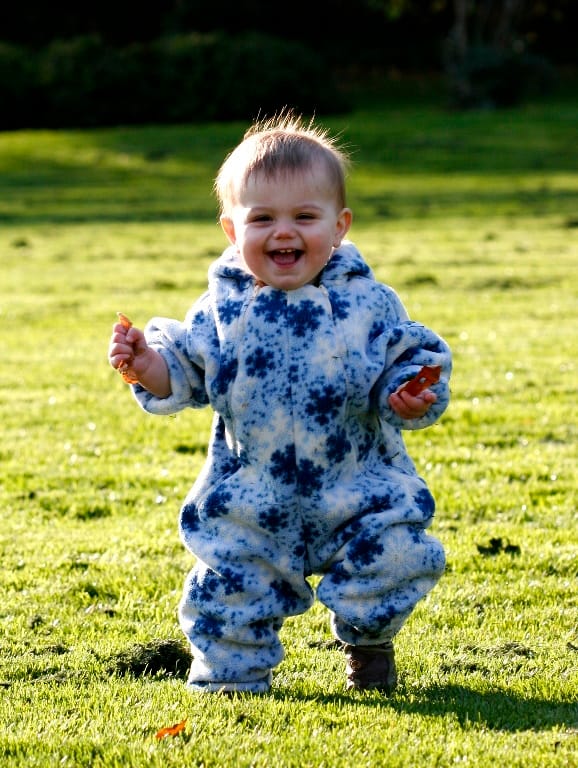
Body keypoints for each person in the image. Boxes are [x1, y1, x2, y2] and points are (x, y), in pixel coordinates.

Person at [108, 113, 452, 695]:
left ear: (339, 226)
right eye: (262, 218)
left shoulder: (368, 304)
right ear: (230, 229)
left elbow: (407, 359)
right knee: (229, 586)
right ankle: (231, 681)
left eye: (304, 217)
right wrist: (147, 365)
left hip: (357, 487)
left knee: (392, 557)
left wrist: (411, 394)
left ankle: (368, 647)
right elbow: (186, 369)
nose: (283, 232)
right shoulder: (222, 310)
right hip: (252, 496)